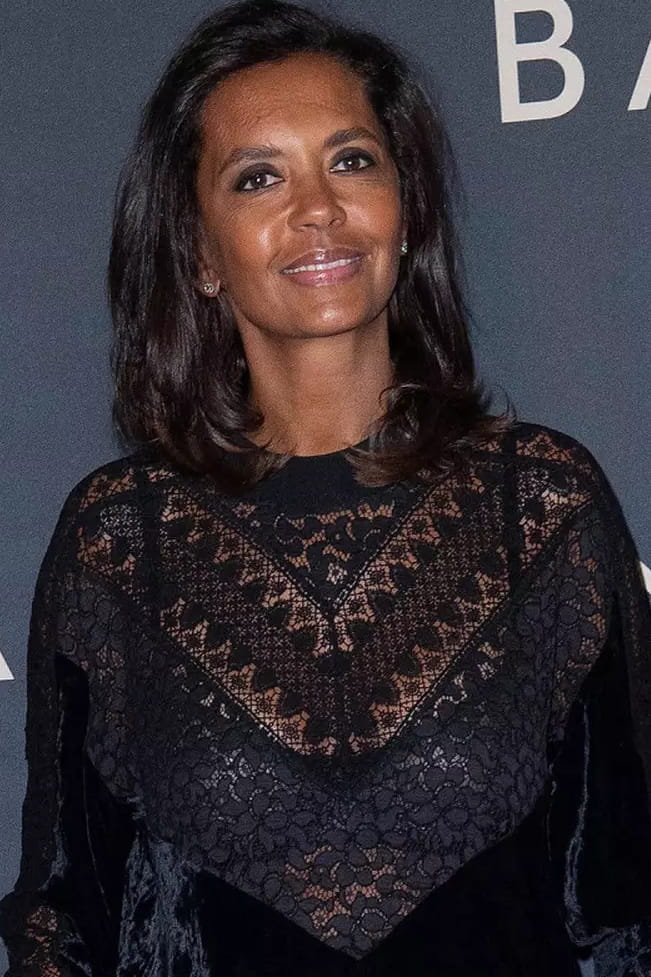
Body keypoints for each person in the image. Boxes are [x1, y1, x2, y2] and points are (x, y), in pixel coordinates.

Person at [1, 0, 650, 974]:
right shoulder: (122, 540)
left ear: (405, 210)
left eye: (351, 160)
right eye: (258, 176)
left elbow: (626, 907)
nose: (317, 208)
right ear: (200, 252)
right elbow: (63, 920)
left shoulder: (541, 508)